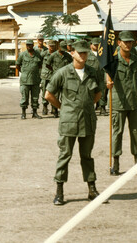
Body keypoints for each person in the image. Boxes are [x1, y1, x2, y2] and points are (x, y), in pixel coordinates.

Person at [44, 40, 103, 206]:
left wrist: (88, 106)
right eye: (80, 52)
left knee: (87, 156)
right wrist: (63, 108)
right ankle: (59, 191)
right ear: (72, 53)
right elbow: (49, 94)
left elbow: (98, 93)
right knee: (65, 155)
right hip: (69, 121)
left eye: (85, 53)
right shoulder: (63, 73)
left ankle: (92, 189)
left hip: (87, 120)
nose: (83, 55)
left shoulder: (92, 72)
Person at [107, 31, 137, 176]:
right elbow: (107, 77)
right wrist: (108, 82)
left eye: (130, 42)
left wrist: (133, 88)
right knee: (117, 132)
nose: (128, 44)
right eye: (125, 42)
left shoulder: (136, 59)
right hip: (118, 103)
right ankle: (116, 163)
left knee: (136, 132)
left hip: (135, 103)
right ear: (119, 42)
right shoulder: (113, 61)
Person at [15, 39, 43, 119]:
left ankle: (35, 113)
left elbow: (40, 65)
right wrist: (24, 72)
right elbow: (17, 65)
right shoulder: (22, 55)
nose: (28, 46)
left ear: (33, 45)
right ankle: (23, 113)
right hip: (25, 80)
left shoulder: (38, 54)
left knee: (35, 97)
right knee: (24, 97)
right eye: (27, 45)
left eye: (30, 45)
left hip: (35, 80)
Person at [45, 40, 73, 118]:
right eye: (62, 48)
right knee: (55, 95)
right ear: (59, 47)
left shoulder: (67, 56)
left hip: (65, 78)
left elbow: (72, 64)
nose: (63, 50)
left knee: (65, 95)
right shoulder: (53, 55)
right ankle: (55, 111)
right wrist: (54, 71)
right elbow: (47, 64)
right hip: (56, 78)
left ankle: (65, 110)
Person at [40, 39, 57, 116]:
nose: (52, 48)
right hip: (45, 76)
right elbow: (39, 63)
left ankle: (54, 107)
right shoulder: (44, 54)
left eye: (53, 46)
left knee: (54, 92)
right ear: (48, 46)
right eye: (50, 46)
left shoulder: (57, 54)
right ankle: (44, 107)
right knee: (44, 92)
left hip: (54, 76)